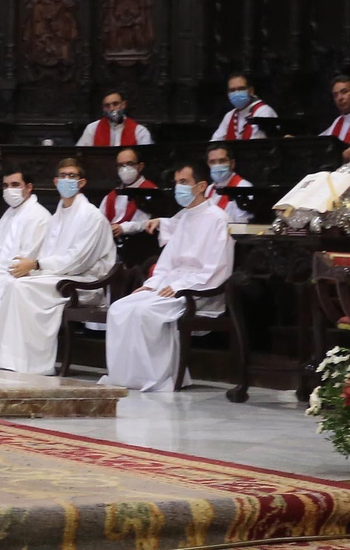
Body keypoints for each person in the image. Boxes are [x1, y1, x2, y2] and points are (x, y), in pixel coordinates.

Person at [103, 163, 235, 392]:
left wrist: (180, 286)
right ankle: (126, 377)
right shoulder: (184, 217)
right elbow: (167, 261)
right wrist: (151, 284)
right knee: (119, 309)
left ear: (201, 186)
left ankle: (156, 377)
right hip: (169, 285)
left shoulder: (218, 219)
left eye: (184, 182)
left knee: (146, 312)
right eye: (176, 183)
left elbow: (217, 268)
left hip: (198, 290)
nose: (178, 188)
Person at [0, 158, 115, 376]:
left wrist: (36, 265)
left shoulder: (91, 216)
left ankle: (33, 363)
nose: (66, 180)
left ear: (81, 182)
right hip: (56, 275)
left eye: (72, 176)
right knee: (17, 284)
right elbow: (48, 253)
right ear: (55, 181)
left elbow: (78, 260)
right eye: (62, 176)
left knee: (20, 288)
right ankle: (10, 357)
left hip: (84, 281)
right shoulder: (58, 215)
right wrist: (34, 269)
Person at [0, 169, 50, 275]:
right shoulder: (9, 213)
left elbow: (25, 259)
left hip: (17, 275)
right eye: (5, 185)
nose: (9, 190)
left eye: (15, 185)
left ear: (29, 187)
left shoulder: (39, 216)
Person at [100, 148, 156, 237]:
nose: (124, 169)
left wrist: (123, 228)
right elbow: (100, 219)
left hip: (139, 241)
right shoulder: (111, 195)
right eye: (120, 165)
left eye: (129, 164)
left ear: (140, 167)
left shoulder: (151, 190)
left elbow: (147, 221)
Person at [212, 72, 276, 140]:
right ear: (228, 94)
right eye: (232, 90)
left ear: (251, 91)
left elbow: (258, 144)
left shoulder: (263, 112)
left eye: (241, 89)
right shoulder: (229, 116)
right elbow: (215, 142)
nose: (236, 93)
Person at [76, 90, 152, 146]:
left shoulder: (139, 131)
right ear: (103, 108)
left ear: (123, 105)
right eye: (107, 106)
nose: (111, 108)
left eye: (115, 104)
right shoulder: (92, 129)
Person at [204, 142, 254, 224]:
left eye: (222, 161)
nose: (217, 165)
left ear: (232, 164)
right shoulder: (209, 189)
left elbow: (243, 223)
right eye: (212, 162)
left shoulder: (243, 187)